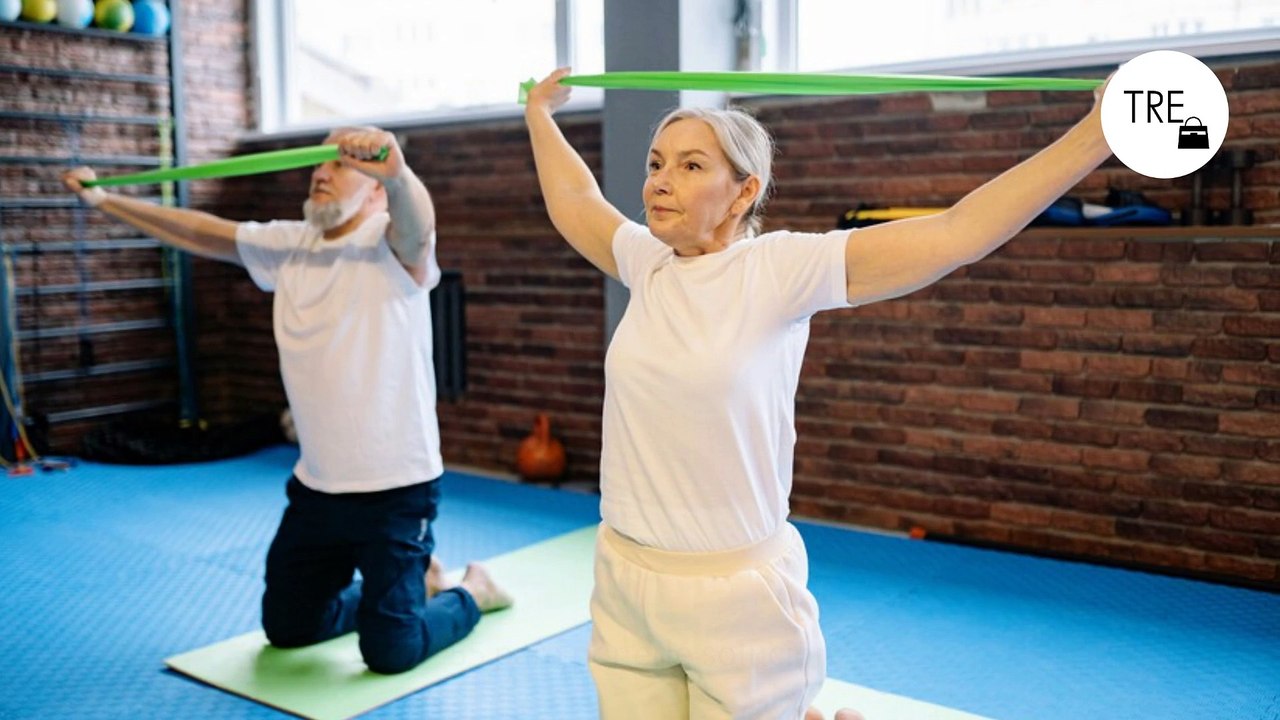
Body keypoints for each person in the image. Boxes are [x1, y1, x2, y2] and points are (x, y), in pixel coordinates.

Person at [524, 66, 1111, 719]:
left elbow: (957, 234)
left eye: (691, 166)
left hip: (735, 600)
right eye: (657, 162)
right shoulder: (647, 262)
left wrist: (1096, 134)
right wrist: (539, 113)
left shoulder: (779, 270)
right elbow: (576, 200)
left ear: (744, 192)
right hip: (626, 582)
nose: (660, 180)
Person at [63, 127, 512, 675]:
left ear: (374, 192)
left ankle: (470, 591)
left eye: (339, 165)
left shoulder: (391, 247)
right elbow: (203, 231)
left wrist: (397, 175)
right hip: (317, 491)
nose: (321, 173)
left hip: (396, 494)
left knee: (390, 653)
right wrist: (107, 200)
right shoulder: (290, 245)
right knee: (290, 629)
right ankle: (408, 587)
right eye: (317, 165)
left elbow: (419, 226)